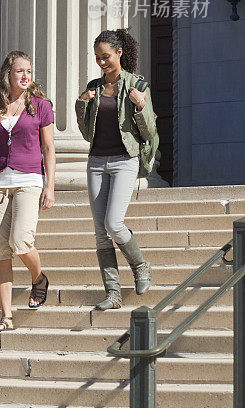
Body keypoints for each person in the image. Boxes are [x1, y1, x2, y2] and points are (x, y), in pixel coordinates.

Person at [75, 28, 157, 310]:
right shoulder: (94, 87)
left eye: (106, 57)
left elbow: (148, 130)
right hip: (96, 162)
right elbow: (87, 134)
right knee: (100, 231)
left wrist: (141, 105)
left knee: (113, 223)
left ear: (119, 53)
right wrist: (81, 105)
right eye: (97, 58)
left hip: (125, 161)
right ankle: (113, 293)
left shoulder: (137, 85)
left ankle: (141, 267)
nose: (101, 63)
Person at [0, 51, 56, 332]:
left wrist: (49, 185)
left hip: (29, 181)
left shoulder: (41, 106)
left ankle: (39, 279)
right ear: (7, 75)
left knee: (21, 240)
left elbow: (48, 148)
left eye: (29, 71)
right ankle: (6, 316)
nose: (26, 76)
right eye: (20, 71)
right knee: (0, 252)